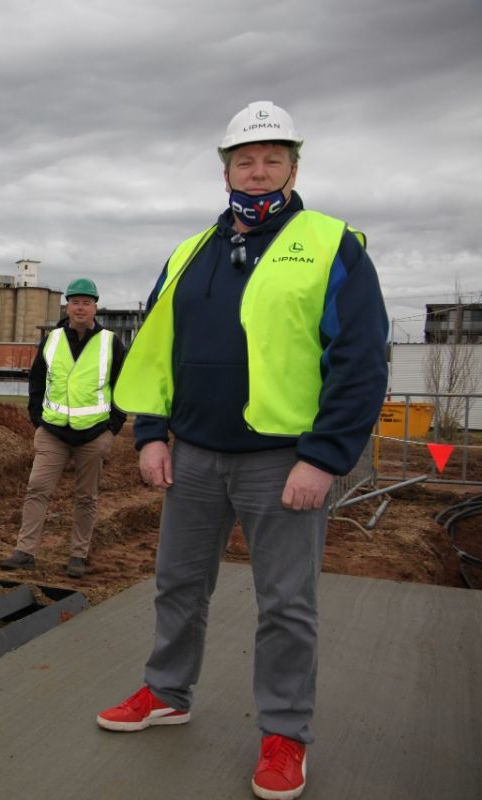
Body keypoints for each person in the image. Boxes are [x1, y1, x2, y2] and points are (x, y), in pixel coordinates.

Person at [97, 101, 388, 800]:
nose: (258, 172)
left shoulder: (332, 245)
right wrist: (151, 432)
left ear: (293, 166)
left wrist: (325, 456)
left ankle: (285, 732)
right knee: (177, 585)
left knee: (286, 604)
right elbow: (158, 347)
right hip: (192, 454)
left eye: (272, 160)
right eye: (244, 160)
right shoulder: (191, 251)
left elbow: (361, 360)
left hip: (283, 461)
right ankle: (167, 691)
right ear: (225, 168)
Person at [0, 278, 126, 579]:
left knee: (86, 497)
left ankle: (78, 555)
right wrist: (37, 420)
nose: (80, 307)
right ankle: (25, 552)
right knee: (37, 490)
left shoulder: (111, 342)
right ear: (67, 305)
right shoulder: (53, 339)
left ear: (95, 306)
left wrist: (112, 428)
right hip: (53, 432)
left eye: (86, 302)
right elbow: (36, 380)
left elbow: (123, 387)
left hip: (94, 434)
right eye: (75, 301)